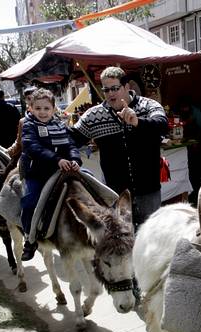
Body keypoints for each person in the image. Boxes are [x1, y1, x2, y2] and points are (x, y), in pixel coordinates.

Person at [71, 66, 168, 229]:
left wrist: (138, 122)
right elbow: (72, 138)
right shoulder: (94, 115)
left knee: (151, 238)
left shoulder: (148, 106)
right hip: (115, 194)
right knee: (122, 240)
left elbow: (162, 125)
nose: (110, 94)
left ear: (127, 87)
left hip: (148, 190)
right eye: (106, 90)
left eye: (115, 88)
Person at [19, 88, 82, 260]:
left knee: (90, 182)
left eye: (46, 108)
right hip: (38, 172)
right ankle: (29, 239)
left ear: (53, 109)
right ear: (31, 108)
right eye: (38, 108)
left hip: (62, 167)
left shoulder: (60, 125)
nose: (42, 112)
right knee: (30, 202)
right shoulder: (29, 125)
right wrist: (56, 159)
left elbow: (70, 145)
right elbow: (32, 147)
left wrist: (75, 159)